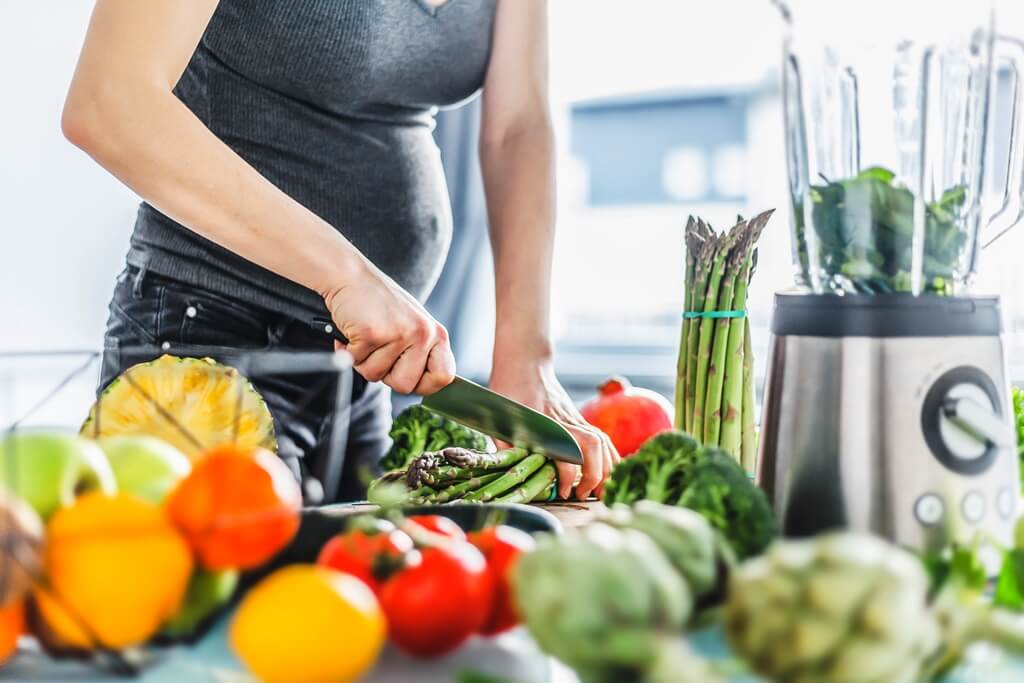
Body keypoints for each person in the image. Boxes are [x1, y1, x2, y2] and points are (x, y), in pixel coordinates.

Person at [63, 0, 619, 501]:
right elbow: (109, 102)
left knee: (348, 608)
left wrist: (526, 359)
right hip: (205, 347)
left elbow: (518, 127)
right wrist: (347, 276)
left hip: (361, 373)